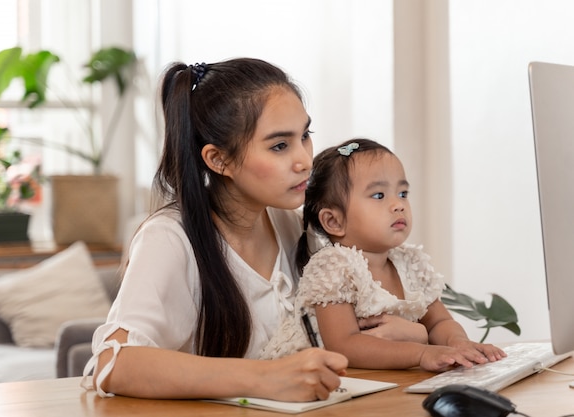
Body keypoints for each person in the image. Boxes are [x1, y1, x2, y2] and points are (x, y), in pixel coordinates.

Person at [81, 58, 348, 401]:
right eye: (280, 145)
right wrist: (263, 378)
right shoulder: (169, 238)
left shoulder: (290, 225)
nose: (304, 160)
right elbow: (113, 364)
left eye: (305, 136)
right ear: (218, 159)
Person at [260, 138, 507, 371]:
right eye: (379, 195)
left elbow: (439, 322)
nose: (398, 204)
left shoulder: (410, 262)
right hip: (303, 382)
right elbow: (344, 345)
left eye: (402, 193)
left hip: (373, 380)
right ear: (334, 221)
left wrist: (458, 343)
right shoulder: (334, 266)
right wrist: (422, 354)